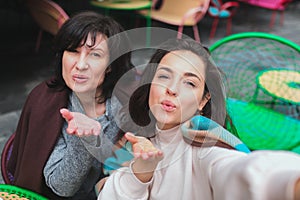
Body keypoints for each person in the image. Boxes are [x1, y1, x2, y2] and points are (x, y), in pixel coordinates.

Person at [97, 38, 300, 200]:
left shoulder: (204, 147)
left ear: (203, 100)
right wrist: (141, 172)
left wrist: (291, 183)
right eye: (164, 76)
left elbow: (245, 173)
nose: (172, 89)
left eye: (190, 83)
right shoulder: (134, 138)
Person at [7, 11, 135, 199]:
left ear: (110, 66)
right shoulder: (46, 104)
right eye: (73, 51)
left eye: (95, 55)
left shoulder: (123, 101)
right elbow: (61, 187)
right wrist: (85, 139)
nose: (81, 64)